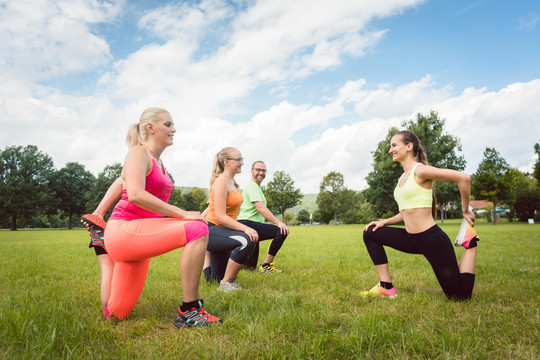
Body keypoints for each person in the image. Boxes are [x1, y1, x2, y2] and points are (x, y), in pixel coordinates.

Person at [103, 107, 222, 327]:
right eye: (168, 125)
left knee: (116, 314)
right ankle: (190, 311)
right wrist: (183, 213)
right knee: (197, 228)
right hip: (125, 229)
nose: (174, 129)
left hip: (140, 235)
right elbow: (136, 194)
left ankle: (105, 260)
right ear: (150, 128)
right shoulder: (138, 152)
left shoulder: (159, 163)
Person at [361, 130, 479, 300]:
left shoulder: (421, 171)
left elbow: (464, 179)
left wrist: (465, 209)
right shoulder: (402, 177)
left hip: (432, 241)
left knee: (459, 297)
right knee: (370, 233)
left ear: (409, 146)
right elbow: (406, 212)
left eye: (394, 145)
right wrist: (384, 222)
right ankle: (386, 287)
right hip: (411, 239)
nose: (390, 150)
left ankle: (470, 243)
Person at [203, 147, 257, 291]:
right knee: (247, 240)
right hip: (213, 230)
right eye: (238, 159)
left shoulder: (232, 182)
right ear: (226, 162)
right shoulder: (221, 182)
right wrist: (246, 228)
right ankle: (227, 284)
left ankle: (207, 258)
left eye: (242, 159)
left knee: (214, 279)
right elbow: (220, 216)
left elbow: (212, 205)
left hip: (223, 231)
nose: (242, 163)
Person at [237, 161, 289, 273]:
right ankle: (266, 265)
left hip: (249, 224)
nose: (261, 172)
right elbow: (260, 208)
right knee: (281, 231)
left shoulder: (256, 187)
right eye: (258, 170)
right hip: (248, 224)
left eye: (263, 170)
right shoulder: (252, 186)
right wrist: (278, 222)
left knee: (250, 267)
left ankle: (238, 263)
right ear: (251, 171)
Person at [80, 177, 122, 311]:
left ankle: (98, 236)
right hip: (120, 229)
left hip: (106, 230)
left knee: (106, 266)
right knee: (107, 266)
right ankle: (98, 232)